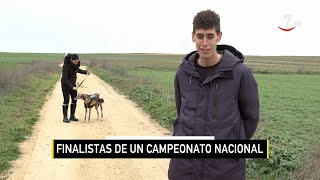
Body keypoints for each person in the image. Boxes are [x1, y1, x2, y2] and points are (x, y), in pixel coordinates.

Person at [168, 9, 260, 180]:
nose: (204, 43)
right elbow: (182, 113)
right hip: (184, 168)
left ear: (219, 36)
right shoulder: (183, 73)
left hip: (225, 170)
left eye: (210, 36)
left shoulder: (240, 74)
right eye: (200, 36)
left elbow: (251, 119)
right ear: (193, 36)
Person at [61, 53, 90, 123]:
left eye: (77, 61)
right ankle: (65, 117)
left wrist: (85, 72)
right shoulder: (66, 66)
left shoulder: (76, 65)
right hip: (66, 85)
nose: (76, 63)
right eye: (75, 62)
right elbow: (64, 79)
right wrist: (72, 87)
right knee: (66, 100)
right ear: (71, 60)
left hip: (73, 85)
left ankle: (72, 116)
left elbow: (77, 70)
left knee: (74, 99)